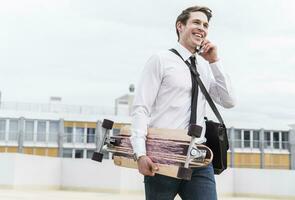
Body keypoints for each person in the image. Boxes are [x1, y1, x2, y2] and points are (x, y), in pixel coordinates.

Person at [130, 5, 236, 200]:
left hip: (198, 157)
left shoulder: (204, 67)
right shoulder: (160, 60)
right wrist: (140, 153)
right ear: (180, 26)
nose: (202, 28)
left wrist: (214, 61)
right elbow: (141, 108)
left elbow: (228, 101)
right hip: (163, 155)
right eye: (196, 22)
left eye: (205, 25)